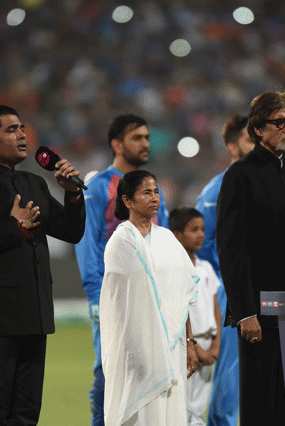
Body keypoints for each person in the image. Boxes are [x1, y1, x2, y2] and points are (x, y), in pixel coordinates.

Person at [0, 105, 86, 426]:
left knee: (25, 416)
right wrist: (14, 227)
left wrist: (73, 196)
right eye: (11, 129)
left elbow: (71, 231)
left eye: (22, 128)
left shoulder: (33, 183)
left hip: (34, 316)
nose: (22, 134)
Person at [216, 91, 285, 425]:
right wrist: (244, 312)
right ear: (257, 129)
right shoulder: (239, 176)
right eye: (278, 122)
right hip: (261, 315)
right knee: (260, 402)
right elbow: (231, 249)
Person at [74, 114, 169, 426]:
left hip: (153, 299)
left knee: (152, 375)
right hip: (112, 298)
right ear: (116, 144)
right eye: (136, 137)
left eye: (147, 137)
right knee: (109, 374)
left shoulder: (153, 190)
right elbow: (87, 244)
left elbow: (164, 245)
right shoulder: (99, 186)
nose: (145, 143)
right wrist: (97, 299)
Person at [100, 170, 198, 426]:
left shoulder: (168, 239)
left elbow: (183, 294)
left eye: (156, 191)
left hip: (173, 347)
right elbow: (121, 305)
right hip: (137, 347)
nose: (154, 197)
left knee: (171, 411)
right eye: (146, 192)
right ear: (127, 201)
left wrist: (189, 341)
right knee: (143, 413)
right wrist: (139, 350)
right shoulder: (120, 242)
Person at [195, 114, 253, 426]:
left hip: (267, 292)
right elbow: (201, 250)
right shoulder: (214, 192)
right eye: (249, 140)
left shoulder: (270, 186)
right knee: (229, 383)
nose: (257, 146)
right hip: (228, 295)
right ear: (232, 147)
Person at [169, 207, 221, 426]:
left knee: (199, 409)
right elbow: (176, 310)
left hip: (208, 344)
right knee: (182, 409)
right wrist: (195, 347)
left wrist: (216, 346)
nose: (200, 234)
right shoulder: (173, 268)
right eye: (193, 230)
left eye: (202, 229)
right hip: (187, 345)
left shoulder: (206, 268)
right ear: (177, 234)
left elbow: (215, 307)